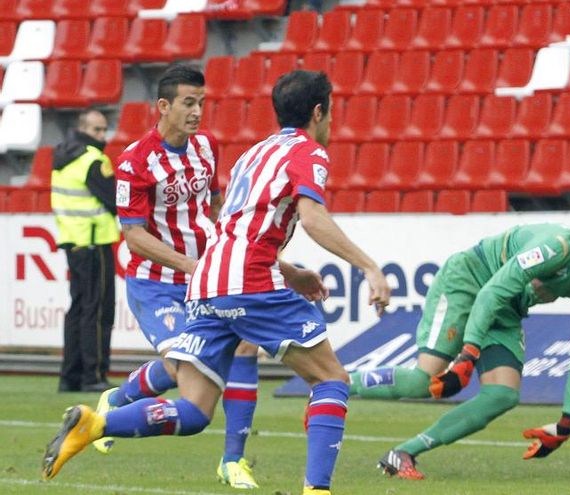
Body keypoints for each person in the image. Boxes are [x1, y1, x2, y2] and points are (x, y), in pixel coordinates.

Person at [41, 69, 392, 495]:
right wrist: (368, 266)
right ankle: (316, 490)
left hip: (208, 281)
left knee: (194, 409)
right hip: (229, 280)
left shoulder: (253, 154)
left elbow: (235, 228)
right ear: (319, 112)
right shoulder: (308, 152)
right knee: (331, 381)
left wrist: (291, 272)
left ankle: (96, 423)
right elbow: (313, 217)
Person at [348, 205, 570, 480]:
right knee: (424, 380)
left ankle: (402, 453)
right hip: (469, 281)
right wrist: (468, 352)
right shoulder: (556, 247)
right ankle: (335, 384)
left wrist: (568, 419)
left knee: (502, 395)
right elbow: (491, 291)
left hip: (505, 306)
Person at [90, 65, 262, 488]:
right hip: (155, 282)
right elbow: (133, 236)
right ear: (163, 106)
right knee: (181, 362)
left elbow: (217, 207)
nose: (197, 111)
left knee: (245, 347)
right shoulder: (134, 161)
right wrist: (188, 265)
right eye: (188, 102)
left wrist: (227, 253)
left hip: (204, 279)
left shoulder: (207, 147)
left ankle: (233, 461)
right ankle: (117, 401)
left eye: (201, 102)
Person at [52, 108, 119, 394]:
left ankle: (70, 376)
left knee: (79, 308)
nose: (102, 136)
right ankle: (93, 374)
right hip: (95, 242)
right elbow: (116, 201)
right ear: (84, 130)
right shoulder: (93, 160)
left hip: (73, 240)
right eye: (97, 130)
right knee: (99, 308)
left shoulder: (62, 158)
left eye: (104, 130)